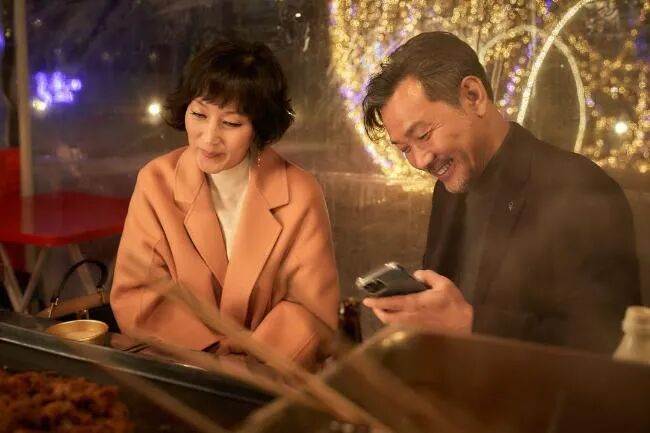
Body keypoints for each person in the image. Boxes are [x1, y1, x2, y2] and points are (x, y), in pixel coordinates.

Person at [361, 31, 640, 353]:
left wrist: (470, 325)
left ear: (473, 96)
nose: (420, 161)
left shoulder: (578, 188)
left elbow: (609, 343)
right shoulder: (449, 189)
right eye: (405, 149)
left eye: (423, 135)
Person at [111, 39, 340, 369]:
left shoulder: (300, 192)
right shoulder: (156, 182)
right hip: (182, 370)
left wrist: (249, 369)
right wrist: (213, 360)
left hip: (274, 377)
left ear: (258, 128)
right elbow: (138, 294)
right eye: (198, 115)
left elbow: (311, 309)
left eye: (231, 123)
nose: (208, 138)